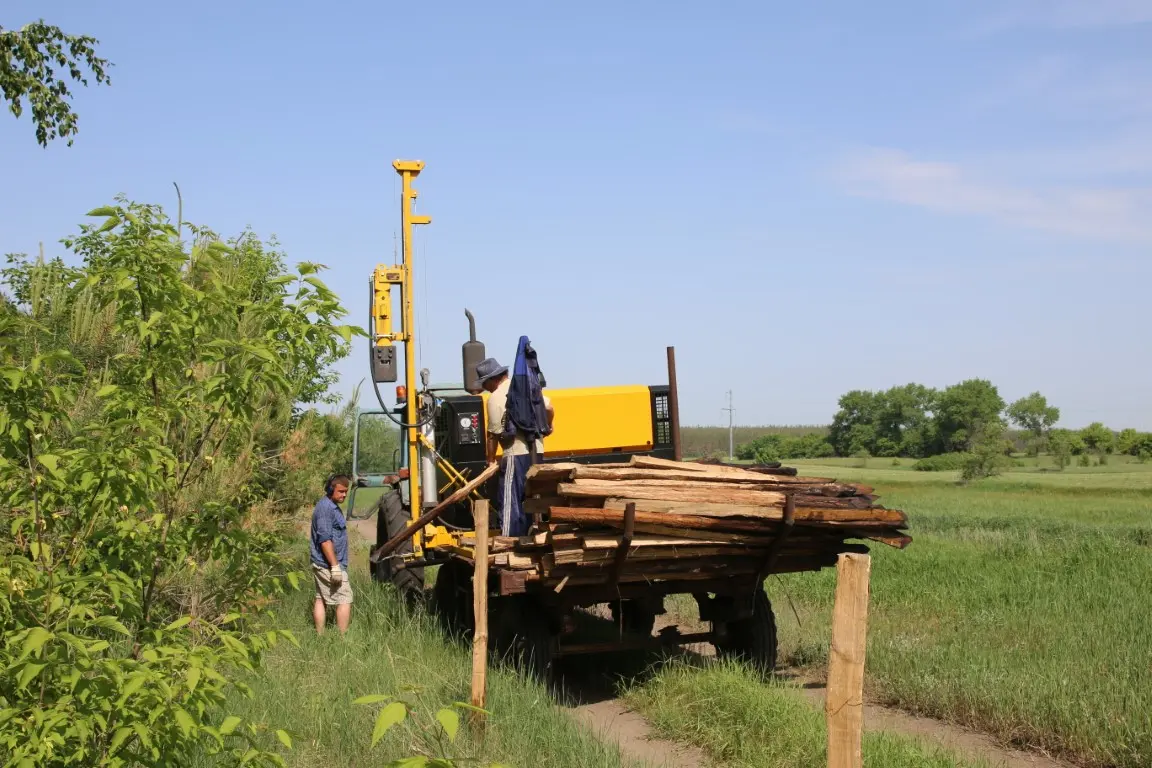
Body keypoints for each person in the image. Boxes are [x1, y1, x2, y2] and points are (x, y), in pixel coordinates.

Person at [477, 357, 554, 537]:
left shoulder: (496, 397)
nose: (484, 388)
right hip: (538, 453)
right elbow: (550, 409)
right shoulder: (528, 387)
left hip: (515, 453)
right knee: (532, 498)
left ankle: (510, 542)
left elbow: (492, 435)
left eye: (484, 383)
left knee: (511, 500)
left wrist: (490, 461)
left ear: (492, 379)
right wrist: (549, 426)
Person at [311, 474, 353, 634]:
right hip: (328, 564)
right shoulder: (325, 510)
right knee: (345, 598)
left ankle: (320, 635)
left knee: (321, 598)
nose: (344, 495)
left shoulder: (330, 506)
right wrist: (335, 567)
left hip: (325, 563)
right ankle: (342, 638)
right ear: (330, 489)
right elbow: (325, 540)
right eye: (341, 491)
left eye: (346, 491)